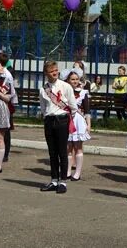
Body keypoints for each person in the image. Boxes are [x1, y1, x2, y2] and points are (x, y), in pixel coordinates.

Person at [39, 60, 76, 193]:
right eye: (51, 71)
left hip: (62, 120)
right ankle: (54, 180)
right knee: (52, 152)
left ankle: (63, 181)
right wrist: (47, 116)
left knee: (62, 152)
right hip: (49, 120)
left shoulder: (65, 86)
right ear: (46, 73)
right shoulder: (43, 89)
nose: (54, 73)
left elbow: (73, 106)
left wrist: (65, 117)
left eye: (56, 70)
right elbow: (43, 107)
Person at [65, 68, 90, 181]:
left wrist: (88, 124)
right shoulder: (65, 92)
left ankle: (78, 172)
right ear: (68, 80)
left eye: (76, 79)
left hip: (79, 121)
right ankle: (68, 170)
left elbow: (87, 110)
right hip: (67, 119)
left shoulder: (83, 93)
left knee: (78, 147)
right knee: (68, 147)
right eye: (72, 79)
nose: (74, 81)